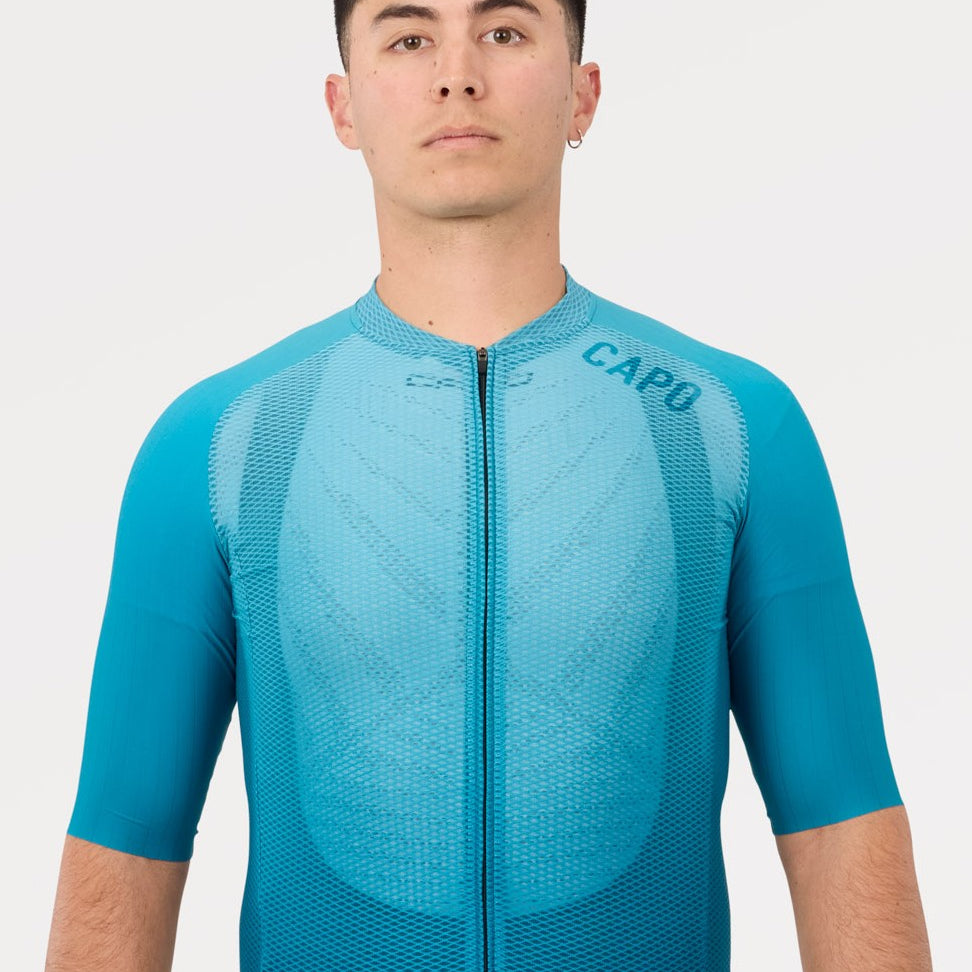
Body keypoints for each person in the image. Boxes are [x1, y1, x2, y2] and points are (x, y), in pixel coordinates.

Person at [45, 1, 933, 969]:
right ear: (343, 106)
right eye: (409, 36)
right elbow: (123, 850)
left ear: (583, 95)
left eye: (505, 31)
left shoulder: (728, 426)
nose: (457, 73)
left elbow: (841, 826)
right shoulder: (221, 444)